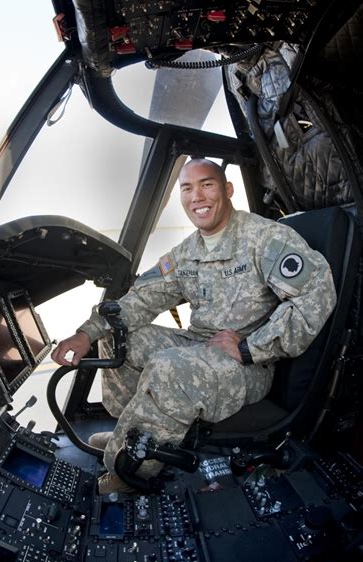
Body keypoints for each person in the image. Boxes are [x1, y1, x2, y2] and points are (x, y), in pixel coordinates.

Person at [51, 159, 337, 494]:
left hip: (248, 365)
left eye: (207, 184)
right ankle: (131, 437)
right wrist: (87, 333)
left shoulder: (265, 238)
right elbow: (143, 297)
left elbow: (317, 292)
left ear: (227, 190)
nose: (197, 196)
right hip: (199, 344)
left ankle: (131, 470)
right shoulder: (188, 252)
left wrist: (250, 347)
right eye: (187, 188)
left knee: (170, 368)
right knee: (120, 337)